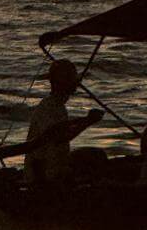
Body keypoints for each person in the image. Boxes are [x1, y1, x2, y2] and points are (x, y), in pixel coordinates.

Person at [24, 59, 104, 190]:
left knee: (96, 155)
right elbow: (59, 136)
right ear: (56, 82)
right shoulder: (48, 107)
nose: (74, 81)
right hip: (44, 172)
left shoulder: (59, 107)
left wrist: (85, 120)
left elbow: (64, 130)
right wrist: (87, 121)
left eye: (73, 77)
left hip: (57, 165)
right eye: (69, 77)